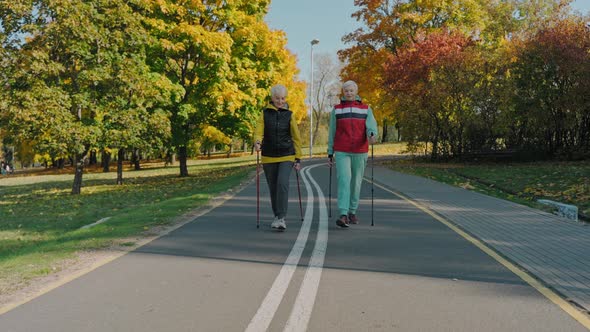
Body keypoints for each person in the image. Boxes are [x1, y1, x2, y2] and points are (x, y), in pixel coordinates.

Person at [327, 80, 378, 228]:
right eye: (346, 90)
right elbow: (332, 132)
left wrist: (372, 134)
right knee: (344, 179)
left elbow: (371, 127)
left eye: (351, 90)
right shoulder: (336, 110)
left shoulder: (366, 109)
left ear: (356, 92)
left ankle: (352, 211)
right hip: (342, 150)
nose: (349, 93)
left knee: (356, 182)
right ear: (343, 92)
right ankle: (343, 214)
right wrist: (330, 152)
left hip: (360, 151)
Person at [255, 84, 302, 231]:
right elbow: (258, 131)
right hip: (268, 156)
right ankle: (277, 216)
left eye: (283, 98)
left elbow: (296, 137)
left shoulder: (289, 115)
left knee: (282, 183)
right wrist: (257, 142)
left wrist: (298, 157)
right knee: (273, 188)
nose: (280, 101)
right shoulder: (264, 114)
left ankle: (281, 218)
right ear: (272, 98)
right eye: (277, 98)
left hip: (287, 155)